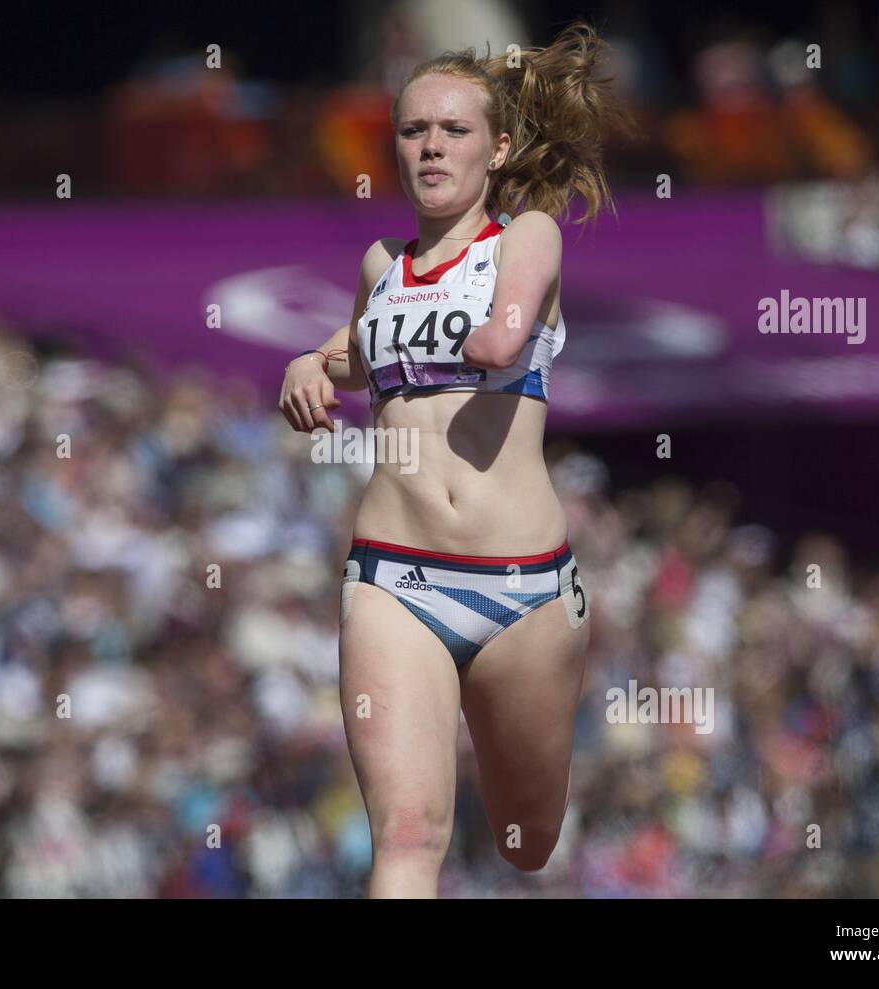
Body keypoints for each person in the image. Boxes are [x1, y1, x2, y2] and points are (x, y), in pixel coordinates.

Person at [278, 20, 632, 897]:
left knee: (524, 838)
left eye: (454, 130)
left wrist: (477, 336)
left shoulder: (529, 237)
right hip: (393, 575)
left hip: (524, 590)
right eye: (413, 131)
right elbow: (346, 356)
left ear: (498, 147)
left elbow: (507, 331)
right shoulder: (380, 265)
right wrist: (304, 365)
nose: (431, 147)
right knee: (406, 831)